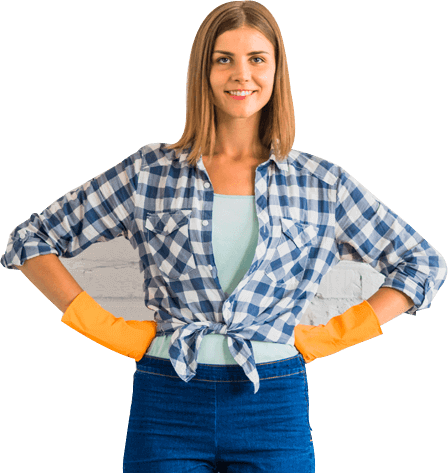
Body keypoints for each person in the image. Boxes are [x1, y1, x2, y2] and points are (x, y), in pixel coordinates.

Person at [2, 2, 446, 472]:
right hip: (167, 400)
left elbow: (422, 264)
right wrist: (102, 326)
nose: (241, 75)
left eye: (257, 58)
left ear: (276, 71)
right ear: (204, 72)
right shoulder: (150, 171)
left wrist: (330, 336)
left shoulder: (322, 183)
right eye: (223, 59)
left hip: (273, 404)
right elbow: (31, 240)